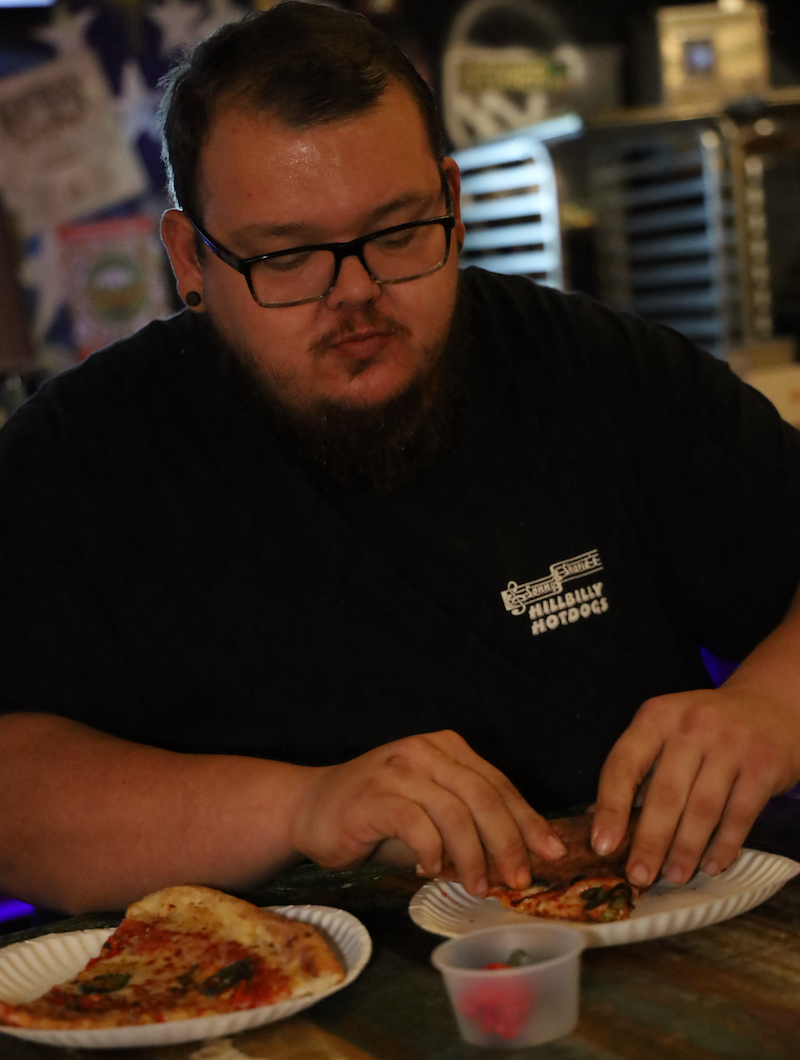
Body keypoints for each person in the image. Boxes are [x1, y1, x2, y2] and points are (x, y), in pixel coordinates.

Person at [1, 2, 799, 916]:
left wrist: (770, 710)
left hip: (634, 949)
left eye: (397, 232)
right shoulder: (81, 457)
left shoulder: (595, 371)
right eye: (289, 256)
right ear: (191, 258)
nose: (357, 294)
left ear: (453, 206)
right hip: (243, 1006)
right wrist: (305, 806)